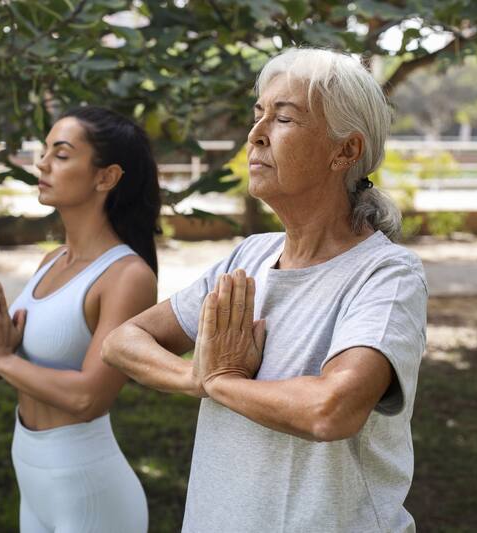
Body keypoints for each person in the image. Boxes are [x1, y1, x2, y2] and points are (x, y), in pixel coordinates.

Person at [102, 47, 428, 532]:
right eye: (258, 114)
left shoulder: (386, 275)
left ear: (346, 151)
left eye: (284, 118)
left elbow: (330, 409)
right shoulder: (249, 257)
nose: (256, 133)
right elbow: (121, 341)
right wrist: (197, 377)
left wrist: (223, 381)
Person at [0, 105, 160, 533]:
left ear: (106, 177)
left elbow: (90, 398)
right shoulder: (51, 261)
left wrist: (1, 359)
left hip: (90, 492)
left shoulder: (127, 276)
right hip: (32, 475)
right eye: (45, 152)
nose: (42, 163)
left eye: (60, 154)